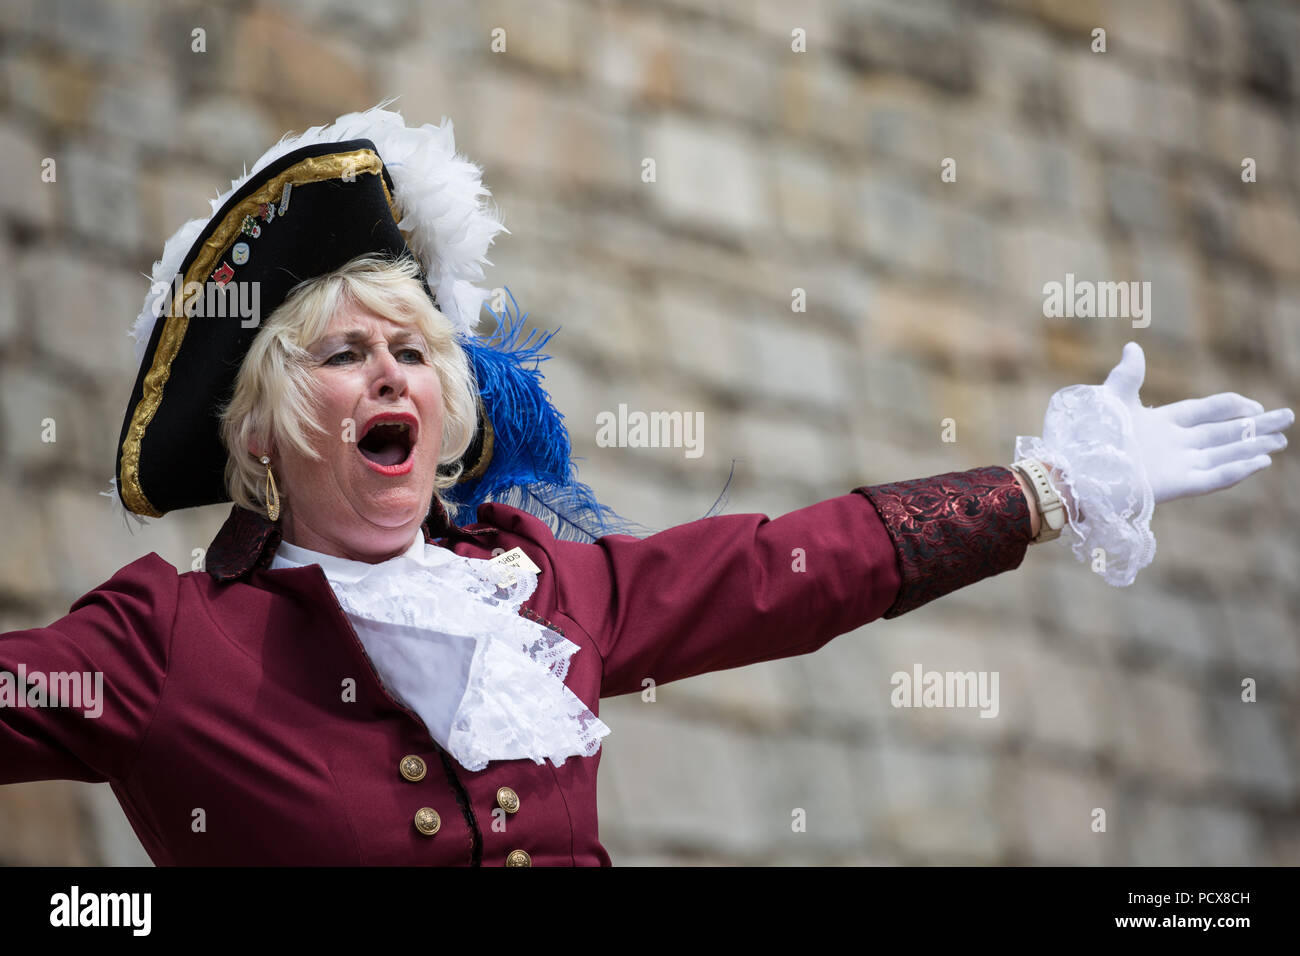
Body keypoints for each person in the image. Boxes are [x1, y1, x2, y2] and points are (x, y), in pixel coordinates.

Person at [0, 108, 1292, 866]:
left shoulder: (538, 591)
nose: (391, 373)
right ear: (265, 439)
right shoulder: (168, 640)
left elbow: (795, 565)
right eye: (343, 354)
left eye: (414, 351)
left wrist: (1055, 484)